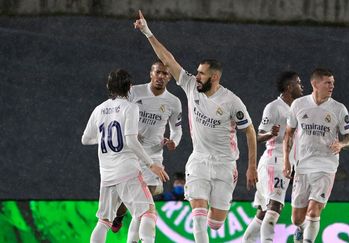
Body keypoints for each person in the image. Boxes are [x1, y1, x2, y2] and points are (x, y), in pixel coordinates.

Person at [133, 10, 258, 243]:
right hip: (199, 161)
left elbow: (249, 131)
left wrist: (252, 167)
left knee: (216, 223)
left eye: (201, 74)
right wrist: (147, 31)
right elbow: (168, 59)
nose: (197, 76)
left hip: (225, 164)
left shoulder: (232, 101)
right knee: (198, 218)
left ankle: (216, 214)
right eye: (197, 73)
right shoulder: (191, 86)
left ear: (215, 77)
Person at [81, 69, 169, 243]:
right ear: (130, 87)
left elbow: (86, 139)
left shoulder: (99, 109)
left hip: (106, 174)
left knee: (104, 221)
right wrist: (152, 164)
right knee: (148, 213)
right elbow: (131, 141)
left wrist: (110, 138)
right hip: (127, 171)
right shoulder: (130, 108)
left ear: (108, 86)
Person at [110, 60, 183, 240]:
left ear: (170, 77)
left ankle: (134, 239)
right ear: (151, 73)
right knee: (127, 201)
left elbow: (177, 129)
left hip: (154, 155)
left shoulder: (173, 102)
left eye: (165, 74)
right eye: (158, 72)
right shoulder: (134, 92)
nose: (161, 76)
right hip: (129, 152)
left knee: (144, 199)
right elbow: (117, 114)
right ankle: (119, 216)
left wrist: (174, 141)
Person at [283, 68, 349, 243]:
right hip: (303, 166)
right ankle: (300, 229)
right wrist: (286, 162)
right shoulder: (298, 105)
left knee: (314, 210)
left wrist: (342, 144)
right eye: (327, 83)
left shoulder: (339, 109)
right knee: (297, 218)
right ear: (315, 84)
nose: (332, 86)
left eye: (333, 83)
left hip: (326, 165)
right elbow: (288, 134)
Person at [243, 71, 303, 243]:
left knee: (263, 213)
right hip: (274, 162)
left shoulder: (298, 108)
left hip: (286, 164)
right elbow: (257, 136)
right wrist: (270, 133)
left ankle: (247, 240)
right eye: (298, 83)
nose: (302, 86)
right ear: (289, 87)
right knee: (275, 207)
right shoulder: (274, 107)